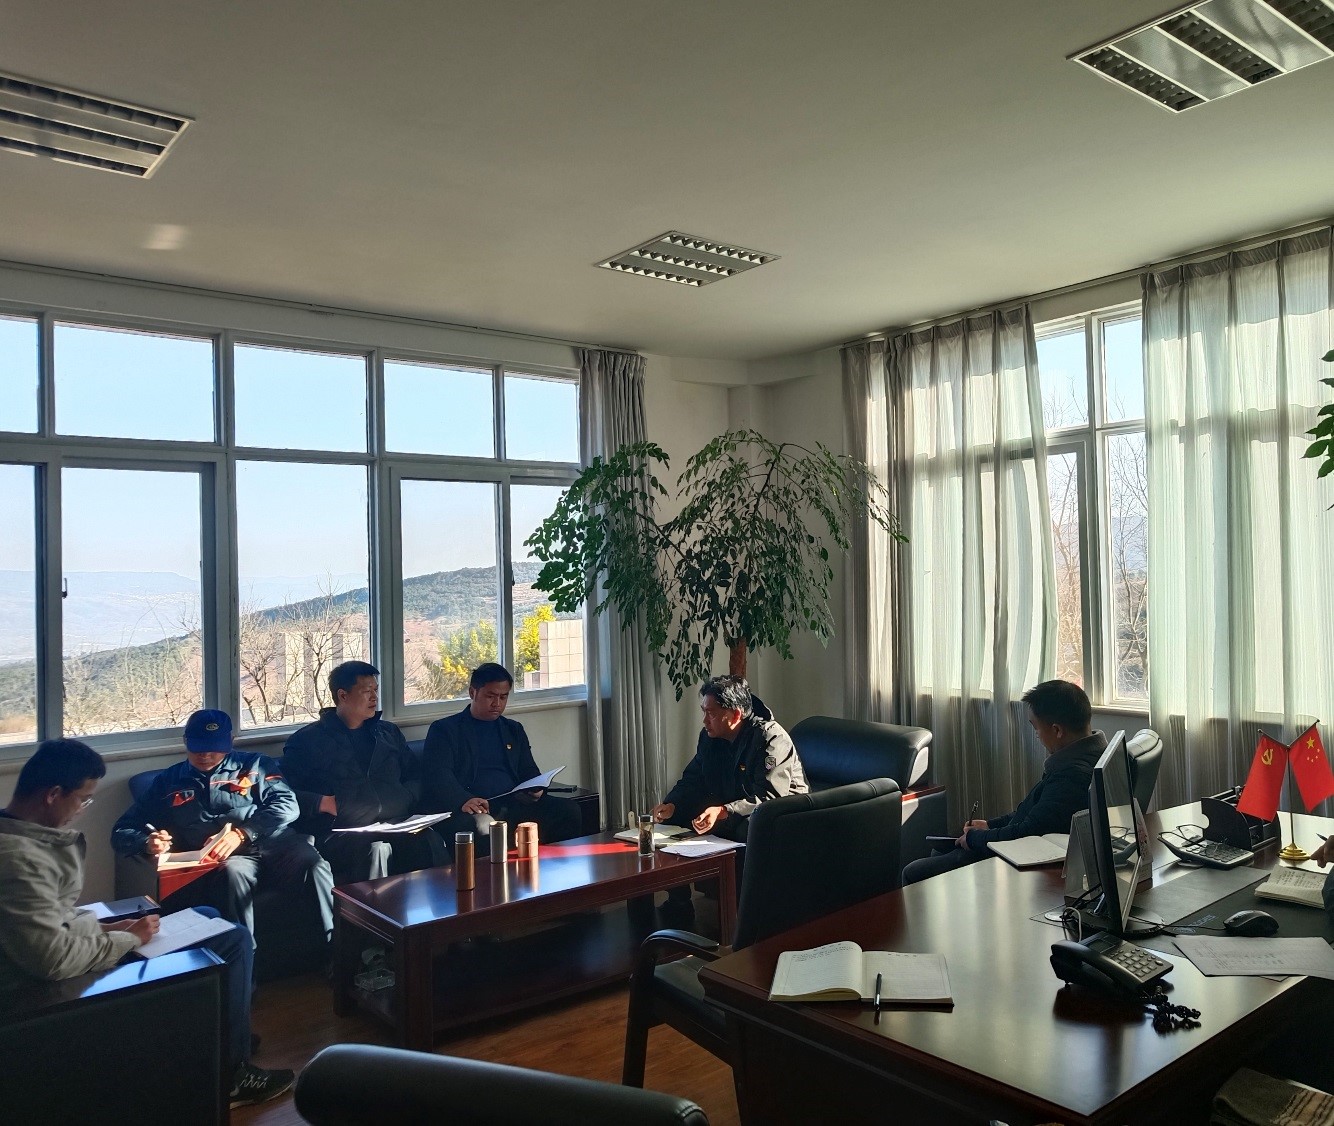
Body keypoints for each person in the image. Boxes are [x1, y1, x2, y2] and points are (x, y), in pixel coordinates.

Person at [0, 739, 292, 1107]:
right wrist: (129, 939)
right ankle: (232, 1076)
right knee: (232, 940)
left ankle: (224, 1035)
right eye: (83, 800)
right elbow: (52, 960)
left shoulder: (15, 831)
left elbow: (53, 919)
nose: (81, 810)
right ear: (53, 795)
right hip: (41, 987)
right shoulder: (19, 860)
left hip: (64, 953)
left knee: (208, 916)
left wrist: (108, 928)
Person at [110, 708, 334, 952]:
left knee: (313, 865)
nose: (205, 755)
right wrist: (147, 842)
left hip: (277, 843)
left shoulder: (256, 765)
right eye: (198, 747)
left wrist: (243, 833)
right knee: (232, 874)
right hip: (231, 859)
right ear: (185, 741)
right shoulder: (169, 781)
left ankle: (333, 953)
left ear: (230, 741)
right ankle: (245, 961)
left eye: (214, 747)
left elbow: (287, 805)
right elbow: (122, 830)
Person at [902, 679, 1105, 885]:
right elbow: (1035, 812)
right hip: (1018, 847)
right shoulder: (1090, 756)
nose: (1037, 736)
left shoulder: (1070, 776)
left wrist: (975, 838)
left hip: (1013, 857)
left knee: (913, 872)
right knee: (940, 850)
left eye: (1036, 728)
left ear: (1057, 731)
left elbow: (1028, 832)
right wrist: (990, 825)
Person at [651, 676, 808, 924]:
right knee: (676, 817)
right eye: (703, 712)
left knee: (748, 828)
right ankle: (678, 903)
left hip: (781, 816)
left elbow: (769, 797)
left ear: (735, 715)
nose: (705, 720)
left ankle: (744, 917)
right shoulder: (710, 736)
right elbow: (693, 779)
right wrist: (672, 804)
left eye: (711, 713)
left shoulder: (770, 738)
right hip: (733, 806)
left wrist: (724, 810)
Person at [283, 660, 445, 884]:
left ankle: (444, 906)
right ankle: (367, 908)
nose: (374, 697)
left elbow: (415, 776)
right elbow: (285, 793)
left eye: (376, 690)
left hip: (395, 823)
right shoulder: (307, 741)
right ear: (343, 695)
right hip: (343, 832)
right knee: (376, 849)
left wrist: (406, 796)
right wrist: (322, 803)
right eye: (367, 691)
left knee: (427, 839)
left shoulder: (388, 733)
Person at [422, 662, 582, 854]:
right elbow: (438, 775)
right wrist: (464, 800)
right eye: (490, 696)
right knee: (483, 826)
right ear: (473, 692)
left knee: (568, 810)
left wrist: (537, 789)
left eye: (503, 697)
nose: (497, 703)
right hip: (475, 807)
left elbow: (528, 769)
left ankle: (557, 868)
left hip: (514, 803)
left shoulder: (513, 729)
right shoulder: (445, 730)